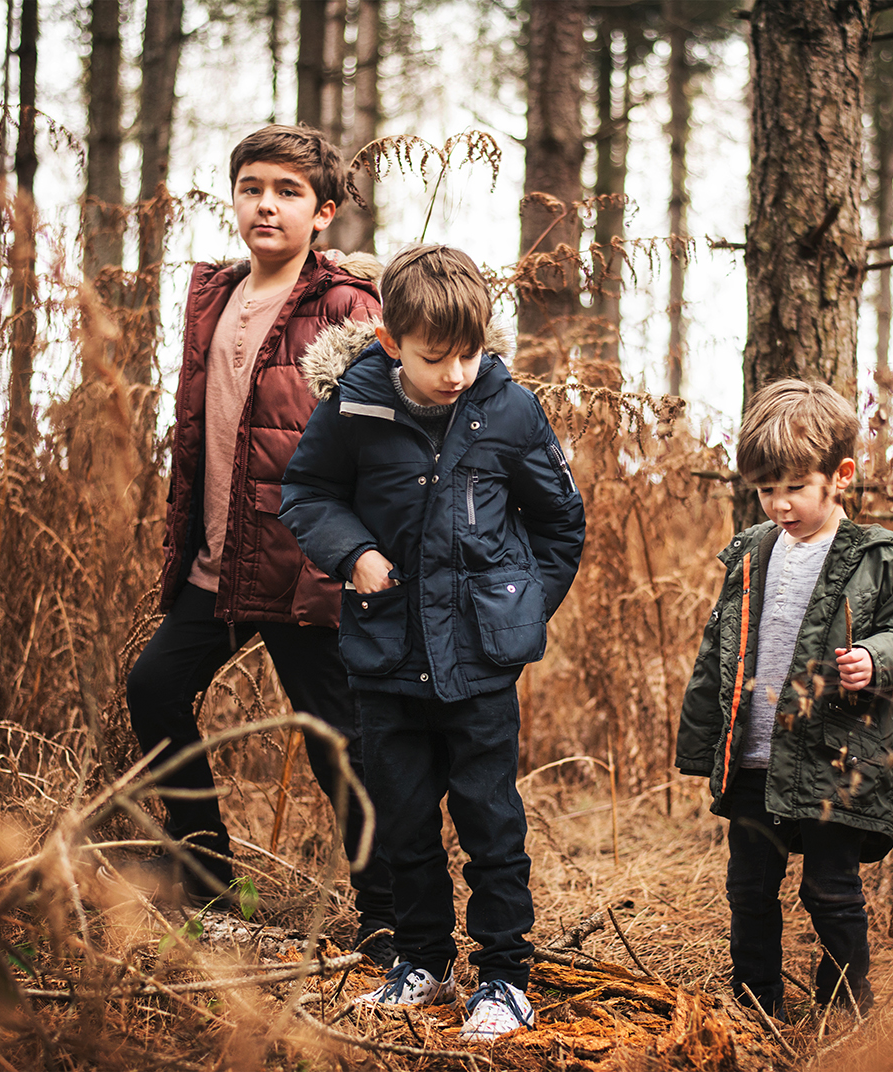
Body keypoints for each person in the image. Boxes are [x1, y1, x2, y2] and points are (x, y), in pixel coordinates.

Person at [280, 245, 584, 1041]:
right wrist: (353, 553)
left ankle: (503, 977)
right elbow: (306, 492)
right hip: (383, 662)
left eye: (469, 353)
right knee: (404, 821)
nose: (454, 373)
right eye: (434, 357)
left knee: (490, 820)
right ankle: (421, 961)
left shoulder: (510, 410)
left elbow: (560, 524)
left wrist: (520, 610)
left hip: (480, 670)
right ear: (390, 343)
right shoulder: (355, 404)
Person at [125, 124, 394, 963]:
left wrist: (355, 555)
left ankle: (391, 924)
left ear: (324, 213)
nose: (265, 205)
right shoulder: (213, 295)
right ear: (234, 197)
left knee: (336, 742)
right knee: (155, 689)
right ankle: (208, 893)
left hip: (305, 567)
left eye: (286, 192)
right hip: (218, 562)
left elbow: (380, 446)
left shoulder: (348, 306)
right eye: (251, 188)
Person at [675, 378, 893, 1022]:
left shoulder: (881, 558)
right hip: (757, 755)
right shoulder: (751, 552)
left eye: (795, 487)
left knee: (832, 893)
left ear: (839, 476)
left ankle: (847, 1005)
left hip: (836, 760)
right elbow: (720, 651)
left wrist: (876, 659)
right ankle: (755, 1004)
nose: (780, 505)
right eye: (767, 490)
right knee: (750, 888)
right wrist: (705, 741)